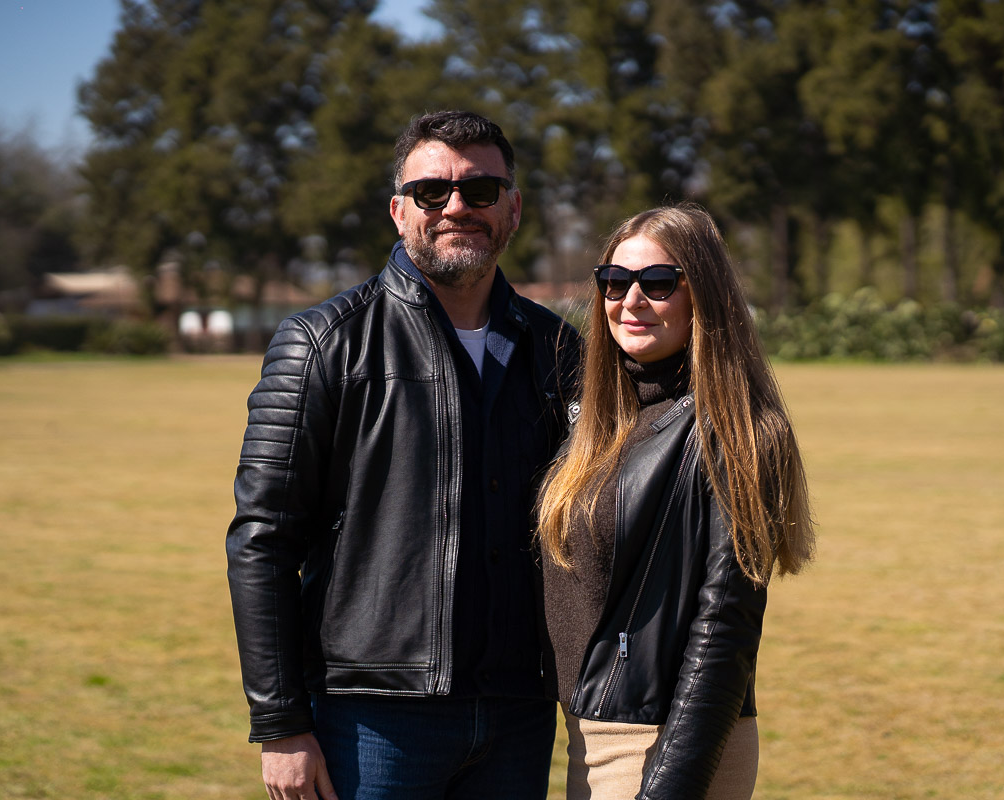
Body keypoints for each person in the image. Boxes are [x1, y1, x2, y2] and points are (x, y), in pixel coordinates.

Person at [226, 110, 579, 800]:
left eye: (480, 190)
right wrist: (281, 723)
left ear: (512, 209)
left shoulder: (560, 350)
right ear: (398, 211)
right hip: (371, 720)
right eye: (431, 191)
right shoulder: (321, 342)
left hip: (520, 714)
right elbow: (262, 539)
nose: (456, 207)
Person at [537, 203, 815, 800]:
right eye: (615, 281)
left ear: (704, 296)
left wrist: (671, 782)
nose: (631, 300)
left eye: (659, 282)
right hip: (597, 734)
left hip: (658, 746)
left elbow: (725, 629)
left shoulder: (734, 429)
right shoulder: (604, 421)